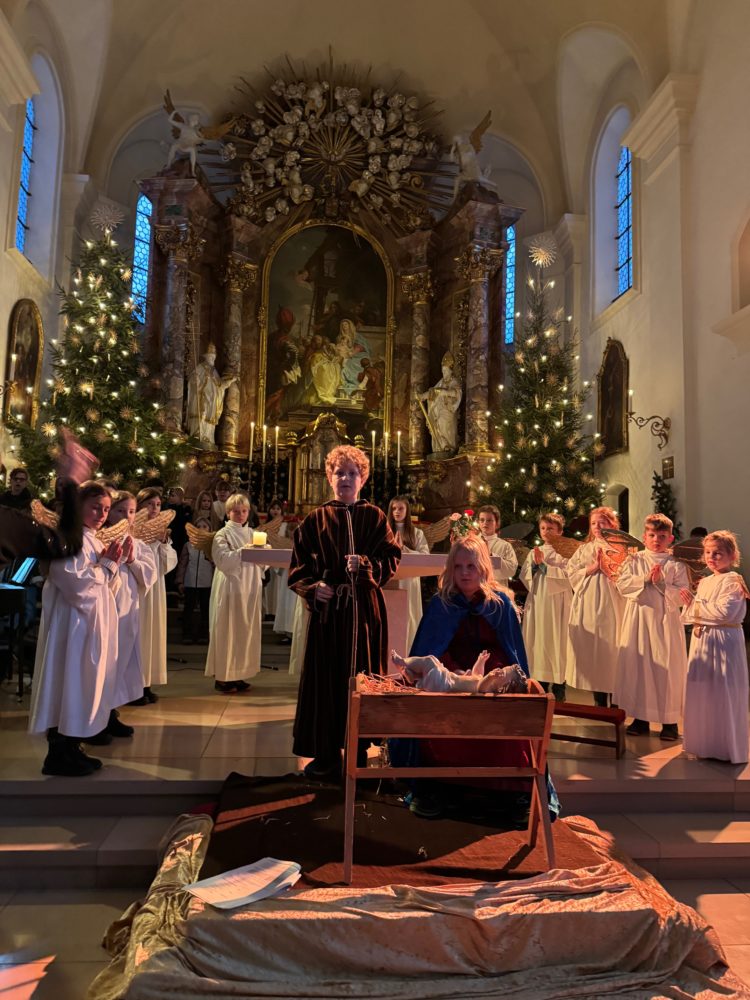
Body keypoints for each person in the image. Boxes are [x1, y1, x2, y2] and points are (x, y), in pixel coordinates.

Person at [402, 535, 558, 823]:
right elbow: (431, 651)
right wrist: (454, 673)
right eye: (458, 566)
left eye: (471, 566)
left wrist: (490, 675)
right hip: (449, 680)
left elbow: (511, 654)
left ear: (483, 567)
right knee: (439, 714)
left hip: (491, 681)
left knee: (506, 719)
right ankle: (434, 789)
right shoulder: (441, 604)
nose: (464, 573)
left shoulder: (500, 605)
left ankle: (513, 794)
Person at [288, 444, 401, 779]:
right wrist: (314, 588)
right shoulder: (315, 520)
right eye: (340, 472)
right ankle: (325, 753)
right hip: (330, 614)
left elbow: (391, 558)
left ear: (362, 478)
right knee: (326, 679)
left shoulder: (375, 517)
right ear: (329, 477)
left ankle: (359, 749)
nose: (346, 478)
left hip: (364, 613)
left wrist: (365, 567)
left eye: (353, 473)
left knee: (362, 676)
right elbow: (298, 568)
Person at [28, 481, 122, 776]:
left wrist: (114, 564)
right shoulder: (68, 539)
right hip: (72, 627)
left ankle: (72, 745)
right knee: (68, 681)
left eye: (106, 509)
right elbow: (75, 584)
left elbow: (105, 585)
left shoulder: (91, 539)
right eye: (95, 507)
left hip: (89, 625)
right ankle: (59, 752)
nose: (102, 514)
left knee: (82, 682)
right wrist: (107, 566)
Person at [614, 514, 690, 740]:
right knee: (640, 665)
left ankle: (669, 721)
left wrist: (662, 583)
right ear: (644, 537)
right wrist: (645, 579)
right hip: (638, 620)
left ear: (671, 538)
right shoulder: (634, 560)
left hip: (666, 622)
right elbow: (622, 585)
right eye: (652, 535)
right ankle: (640, 718)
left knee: (666, 668)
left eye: (662, 536)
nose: (657, 540)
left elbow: (683, 594)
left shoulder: (677, 563)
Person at [680, 531, 749, 764]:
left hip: (723, 641)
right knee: (705, 692)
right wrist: (691, 604)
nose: (711, 557)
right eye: (708, 552)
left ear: (732, 555)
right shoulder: (706, 581)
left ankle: (726, 748)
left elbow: (724, 613)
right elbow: (691, 614)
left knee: (722, 690)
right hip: (703, 641)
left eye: (718, 553)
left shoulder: (733, 581)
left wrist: (694, 604)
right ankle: (705, 745)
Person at [95, 491, 159, 741]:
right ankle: (96, 719)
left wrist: (132, 560)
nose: (126, 516)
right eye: (120, 511)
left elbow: (150, 576)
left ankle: (110, 713)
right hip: (103, 611)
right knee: (102, 664)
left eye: (131, 511)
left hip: (127, 611)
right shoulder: (98, 540)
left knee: (119, 663)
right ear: (109, 512)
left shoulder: (138, 544)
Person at [0, 431, 95, 565]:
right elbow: (67, 543)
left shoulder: (17, 512)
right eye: (16, 479)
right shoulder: (7, 519)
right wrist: (72, 481)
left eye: (22, 479)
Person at [566, 506, 625, 707]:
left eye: (602, 522)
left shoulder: (621, 549)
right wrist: (592, 568)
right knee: (594, 650)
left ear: (612, 524)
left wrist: (610, 569)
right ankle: (599, 701)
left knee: (613, 649)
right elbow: (571, 572)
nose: (597, 527)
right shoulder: (585, 549)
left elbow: (628, 574)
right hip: (589, 602)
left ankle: (616, 703)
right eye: (593, 523)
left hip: (613, 602)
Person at [205, 493, 264, 693]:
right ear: (228, 512)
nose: (240, 515)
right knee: (227, 629)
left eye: (244, 511)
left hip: (250, 585)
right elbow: (222, 560)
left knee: (245, 630)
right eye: (236, 511)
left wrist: (264, 552)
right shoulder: (222, 534)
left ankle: (239, 674)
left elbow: (263, 563)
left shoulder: (253, 533)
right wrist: (245, 551)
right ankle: (223, 677)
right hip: (230, 585)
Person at [519, 513, 573, 702]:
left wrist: (545, 567)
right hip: (539, 600)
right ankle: (540, 682)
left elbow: (570, 575)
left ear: (560, 531)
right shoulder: (534, 551)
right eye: (543, 528)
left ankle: (559, 686)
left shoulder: (566, 552)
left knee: (558, 640)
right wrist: (534, 567)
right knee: (539, 638)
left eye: (550, 528)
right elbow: (525, 576)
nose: (546, 531)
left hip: (558, 601)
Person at [133, 488, 177, 704]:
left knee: (152, 634)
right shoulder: (133, 530)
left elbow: (168, 564)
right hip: (138, 590)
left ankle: (146, 682)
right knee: (139, 634)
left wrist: (163, 542)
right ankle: (133, 686)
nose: (154, 509)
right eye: (149, 504)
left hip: (156, 589)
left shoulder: (161, 531)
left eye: (158, 505)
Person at [387, 496, 429, 651]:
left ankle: (409, 650)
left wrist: (404, 549)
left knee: (409, 614)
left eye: (401, 508)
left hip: (409, 580)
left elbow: (425, 556)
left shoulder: (416, 533)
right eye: (394, 508)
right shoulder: (384, 531)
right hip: (390, 579)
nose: (397, 512)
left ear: (407, 511)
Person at [186, 344, 237, 447]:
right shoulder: (200, 367)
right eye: (211, 355)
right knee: (202, 415)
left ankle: (208, 437)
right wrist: (195, 381)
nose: (213, 357)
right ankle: (198, 435)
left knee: (210, 419)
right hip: (202, 397)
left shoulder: (214, 371)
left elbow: (220, 386)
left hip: (213, 401)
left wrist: (230, 381)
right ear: (206, 356)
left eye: (214, 356)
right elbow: (192, 380)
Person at [177, 515, 214, 643]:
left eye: (205, 526)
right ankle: (187, 634)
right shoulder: (188, 545)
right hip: (190, 581)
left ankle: (204, 634)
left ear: (209, 529)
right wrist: (180, 581)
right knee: (188, 609)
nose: (201, 529)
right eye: (198, 526)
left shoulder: (212, 546)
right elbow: (182, 564)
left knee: (206, 609)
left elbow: (216, 565)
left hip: (207, 582)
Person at [418, 351, 462, 454]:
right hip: (438, 411)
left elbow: (457, 393)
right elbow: (433, 392)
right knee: (436, 425)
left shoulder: (454, 381)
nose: (444, 373)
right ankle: (439, 448)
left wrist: (444, 392)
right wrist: (422, 396)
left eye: (446, 371)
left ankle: (448, 447)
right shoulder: (441, 382)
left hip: (448, 410)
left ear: (450, 371)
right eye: (443, 371)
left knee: (443, 423)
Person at [477, 504, 518, 587]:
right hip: (474, 588)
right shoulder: (472, 543)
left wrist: (490, 555)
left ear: (497, 523)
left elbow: (511, 570)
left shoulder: (505, 545)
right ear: (478, 522)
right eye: (482, 520)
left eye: (489, 520)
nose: (485, 523)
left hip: (496, 589)